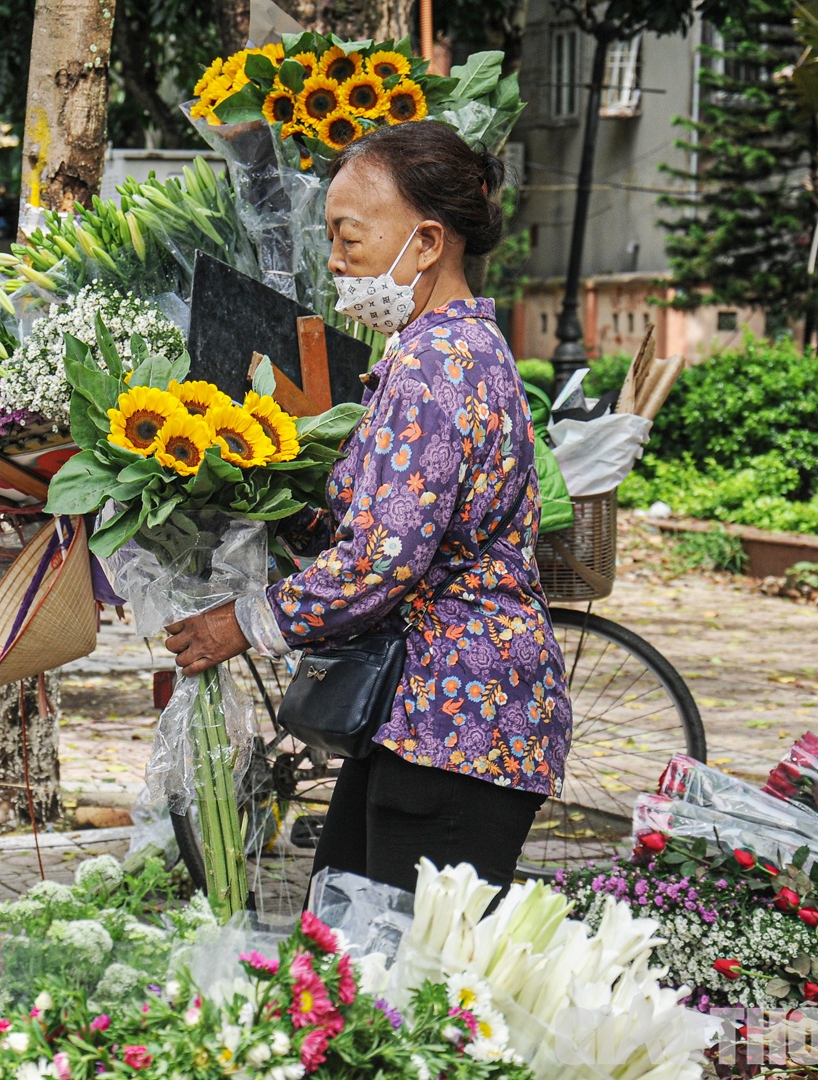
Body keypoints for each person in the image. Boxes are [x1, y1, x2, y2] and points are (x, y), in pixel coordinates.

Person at [163, 121, 572, 896]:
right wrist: (252, 493)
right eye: (330, 238)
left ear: (426, 243)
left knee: (413, 956)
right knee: (348, 931)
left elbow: (379, 562)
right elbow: (385, 526)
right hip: (421, 714)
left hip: (457, 721)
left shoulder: (433, 367)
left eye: (349, 236)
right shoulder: (446, 350)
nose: (335, 259)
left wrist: (242, 623)